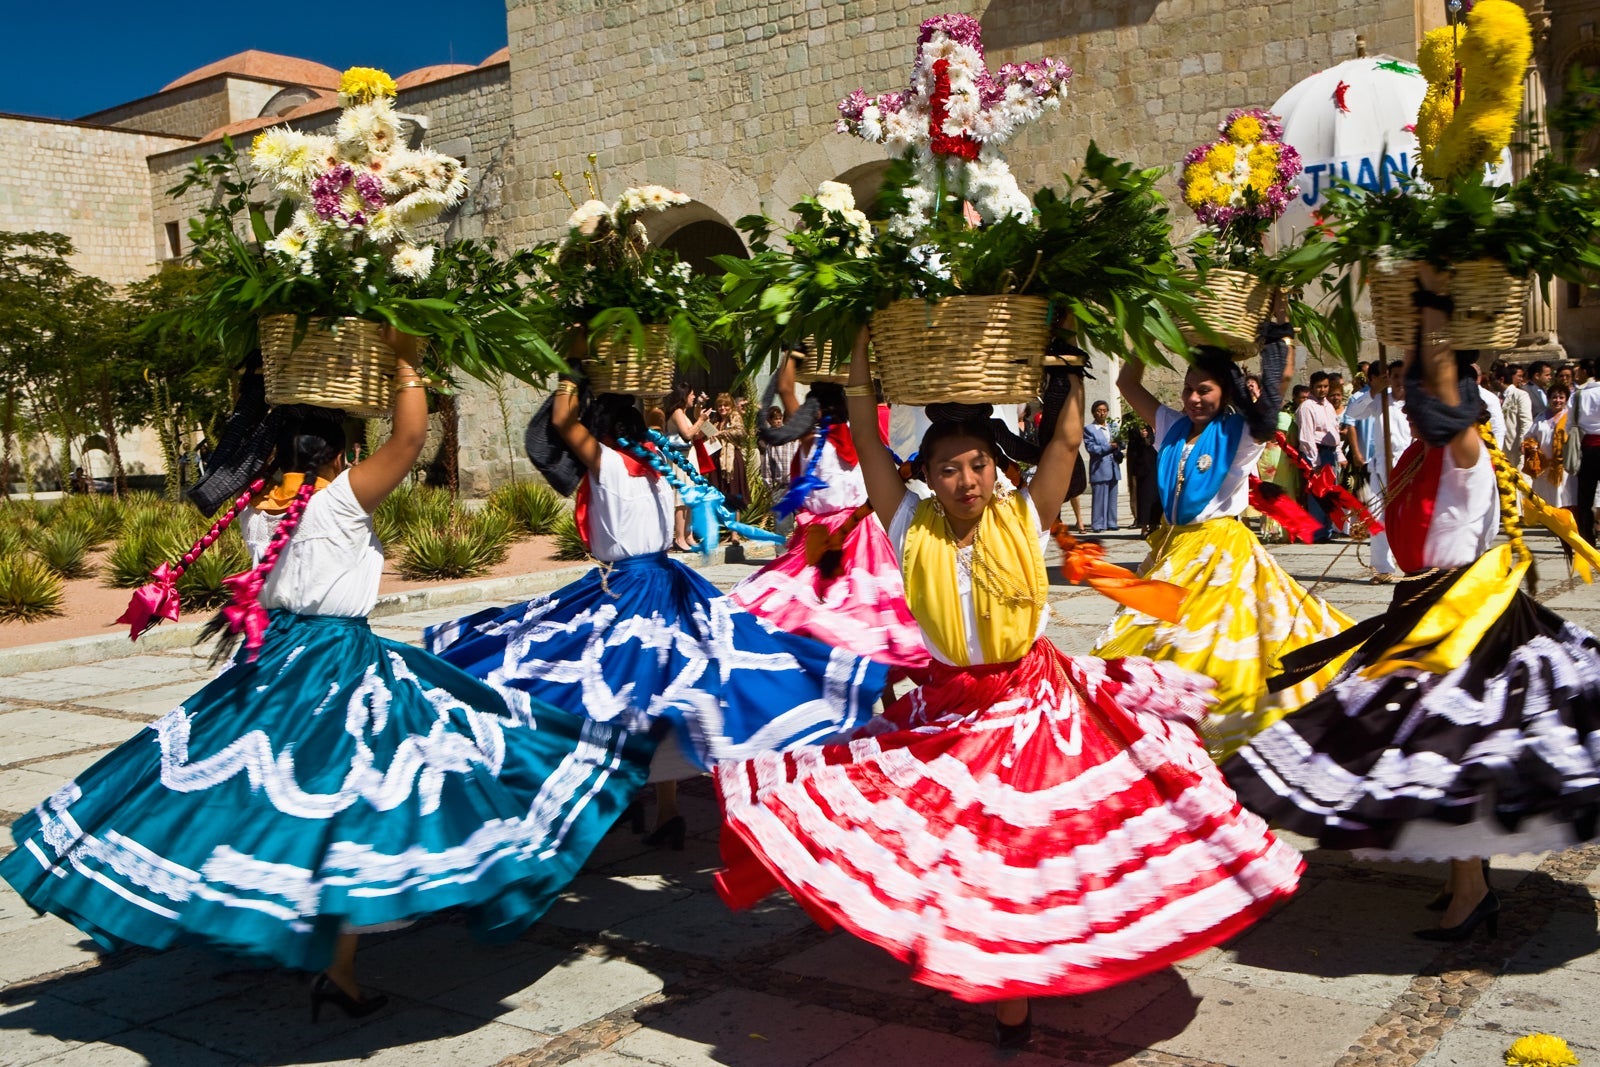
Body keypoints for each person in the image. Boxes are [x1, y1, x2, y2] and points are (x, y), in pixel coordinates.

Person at [2, 334, 654, 1018]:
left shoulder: (259, 506)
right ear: (339, 455)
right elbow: (408, 438)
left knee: (283, 800)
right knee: (370, 792)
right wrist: (407, 357)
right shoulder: (337, 500)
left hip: (275, 656)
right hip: (336, 663)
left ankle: (327, 961)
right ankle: (331, 959)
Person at [715, 328, 1302, 1049]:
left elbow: (1061, 446)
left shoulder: (1023, 516)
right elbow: (868, 443)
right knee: (952, 847)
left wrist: (1072, 364)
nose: (966, 480)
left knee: (1024, 847)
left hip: (1032, 705)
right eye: (949, 468)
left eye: (978, 465)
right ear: (925, 474)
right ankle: (985, 961)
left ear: (996, 469)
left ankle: (1015, 993)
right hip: (947, 710)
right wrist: (862, 341)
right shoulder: (909, 525)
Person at [1222, 266, 1600, 939]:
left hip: (1462, 618)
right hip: (1428, 606)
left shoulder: (1465, 451)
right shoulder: (1424, 452)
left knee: (1447, 750)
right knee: (1447, 754)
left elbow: (1445, 397)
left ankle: (1469, 890)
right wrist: (1417, 340)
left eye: (1420, 390)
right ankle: (1469, 882)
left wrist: (1432, 312)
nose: (1407, 398)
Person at [425, 376, 890, 847]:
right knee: (668, 691)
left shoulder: (607, 461)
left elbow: (563, 421)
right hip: (670, 583)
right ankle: (665, 809)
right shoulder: (658, 468)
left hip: (625, 589)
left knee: (595, 685)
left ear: (602, 433)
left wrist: (574, 363)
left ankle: (593, 794)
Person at [1094, 329, 1353, 760]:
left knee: (1209, 643)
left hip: (1219, 553)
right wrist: (1142, 333)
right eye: (1188, 388)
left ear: (1226, 391)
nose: (1193, 398)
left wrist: (1280, 336)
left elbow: (1277, 390)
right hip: (1173, 549)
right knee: (1148, 637)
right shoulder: (1171, 426)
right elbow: (1125, 385)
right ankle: (1157, 727)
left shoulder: (1242, 433)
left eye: (1205, 390)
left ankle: (1210, 730)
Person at [729, 350, 928, 678]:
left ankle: (821, 681)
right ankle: (879, 688)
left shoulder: (812, 436)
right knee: (868, 615)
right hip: (864, 534)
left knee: (810, 612)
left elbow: (785, 388)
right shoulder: (860, 436)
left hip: (825, 538)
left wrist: (792, 355)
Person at [1342, 359, 1411, 582]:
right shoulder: (1380, 399)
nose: (1399, 381)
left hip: (1410, 466)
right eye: (1395, 376)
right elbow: (1353, 412)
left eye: (1403, 376)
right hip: (1383, 466)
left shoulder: (1418, 400)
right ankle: (1383, 568)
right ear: (1388, 377)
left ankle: (1414, 563)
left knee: (1411, 518)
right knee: (1378, 518)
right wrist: (1373, 391)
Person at [1296, 370, 1343, 542]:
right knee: (1317, 493)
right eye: (1319, 387)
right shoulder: (1307, 407)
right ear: (1311, 387)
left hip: (1330, 453)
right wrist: (1314, 461)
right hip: (1317, 452)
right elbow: (1307, 435)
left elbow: (1334, 431)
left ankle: (1327, 530)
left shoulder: (1328, 406)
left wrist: (1339, 454)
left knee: (1329, 493)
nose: (1323, 390)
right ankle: (1317, 532)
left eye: (1325, 386)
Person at [1083, 399, 1122, 531]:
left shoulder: (1113, 427)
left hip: (1113, 466)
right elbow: (1092, 448)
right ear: (1094, 413)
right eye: (1099, 411)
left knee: (1112, 496)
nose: (1102, 413)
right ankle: (1098, 524)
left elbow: (1122, 443)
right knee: (1099, 497)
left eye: (1104, 411)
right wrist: (1108, 446)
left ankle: (1112, 522)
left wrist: (1120, 444)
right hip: (1099, 467)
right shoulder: (1089, 429)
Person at [1124, 417, 1161, 536]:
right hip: (1143, 469)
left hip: (1156, 467)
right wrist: (1143, 437)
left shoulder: (1159, 424)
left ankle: (1155, 525)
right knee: (1144, 498)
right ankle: (1144, 526)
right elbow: (1134, 446)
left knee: (1156, 498)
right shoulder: (1136, 424)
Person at [1500, 363, 1532, 455]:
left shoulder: (1521, 395)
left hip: (1515, 446)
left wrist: (1524, 442)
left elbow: (1526, 421)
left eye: (1522, 376)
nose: (1521, 379)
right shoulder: (1497, 395)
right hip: (1501, 446)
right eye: (1519, 376)